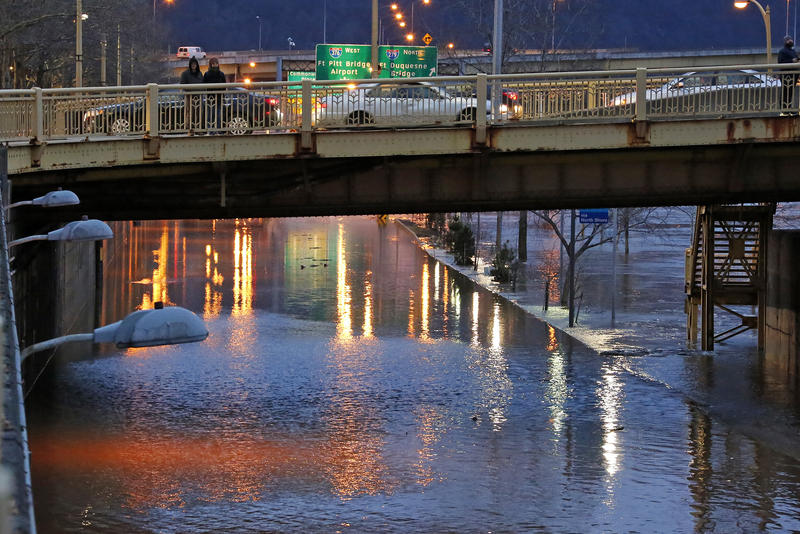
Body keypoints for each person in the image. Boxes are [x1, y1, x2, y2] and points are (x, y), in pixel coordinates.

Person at [180, 57, 204, 132]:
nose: (194, 65)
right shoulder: (185, 74)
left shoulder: (199, 73)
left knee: (199, 113)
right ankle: (189, 129)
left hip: (199, 96)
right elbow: (182, 85)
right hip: (189, 96)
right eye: (192, 64)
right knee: (190, 113)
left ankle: (198, 129)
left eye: (195, 64)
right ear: (190, 65)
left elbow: (203, 83)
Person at [203, 57, 227, 132]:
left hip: (218, 97)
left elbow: (224, 86)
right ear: (211, 64)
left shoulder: (221, 74)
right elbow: (204, 85)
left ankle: (218, 130)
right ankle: (210, 130)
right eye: (213, 64)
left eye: (216, 63)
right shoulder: (207, 74)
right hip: (210, 98)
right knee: (210, 114)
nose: (215, 65)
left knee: (218, 115)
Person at [778, 35, 799, 115]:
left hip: (793, 75)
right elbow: (780, 63)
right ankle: (784, 109)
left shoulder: (793, 51)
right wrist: (791, 61)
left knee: (790, 93)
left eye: (791, 39)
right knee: (785, 92)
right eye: (788, 40)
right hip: (786, 75)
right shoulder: (782, 51)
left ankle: (789, 108)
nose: (790, 41)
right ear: (785, 42)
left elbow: (796, 59)